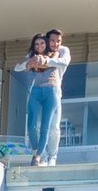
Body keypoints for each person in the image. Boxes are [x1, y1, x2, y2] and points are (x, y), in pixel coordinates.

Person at [19, 29, 72, 166]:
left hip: (54, 92)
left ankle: (52, 156)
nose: (56, 44)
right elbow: (21, 66)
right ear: (48, 41)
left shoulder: (62, 51)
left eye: (59, 41)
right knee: (34, 125)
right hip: (38, 91)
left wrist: (46, 61)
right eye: (53, 41)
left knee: (53, 127)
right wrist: (31, 63)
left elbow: (64, 62)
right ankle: (38, 154)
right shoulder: (38, 52)